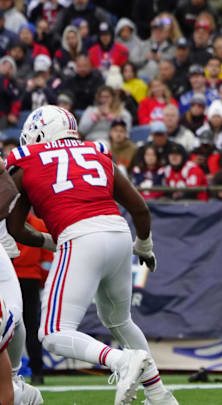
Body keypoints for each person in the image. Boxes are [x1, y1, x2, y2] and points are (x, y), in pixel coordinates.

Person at [6, 105, 178, 404]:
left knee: (53, 333)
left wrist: (53, 242)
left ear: (41, 133)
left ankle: (119, 361)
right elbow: (139, 207)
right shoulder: (96, 152)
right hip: (119, 232)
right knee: (120, 321)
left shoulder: (28, 159)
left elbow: (15, 227)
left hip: (80, 235)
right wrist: (145, 245)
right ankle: (159, 395)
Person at [13, 213, 53, 386]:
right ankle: (37, 372)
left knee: (6, 324)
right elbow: (47, 259)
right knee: (31, 326)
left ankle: (8, 373)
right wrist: (42, 280)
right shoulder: (39, 224)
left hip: (9, 279)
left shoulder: (6, 222)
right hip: (32, 279)